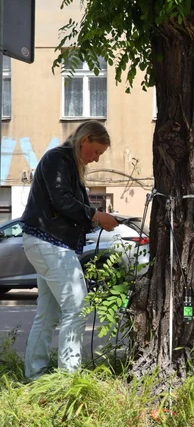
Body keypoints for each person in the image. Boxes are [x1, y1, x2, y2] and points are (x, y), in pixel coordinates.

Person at [21, 121, 119, 380]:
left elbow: (71, 205)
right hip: (49, 243)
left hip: (47, 242)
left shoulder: (67, 163)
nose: (96, 159)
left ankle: (35, 375)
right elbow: (62, 200)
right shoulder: (58, 159)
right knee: (77, 306)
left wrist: (99, 217)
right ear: (84, 140)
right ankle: (70, 378)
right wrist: (96, 215)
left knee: (49, 313)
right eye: (96, 151)